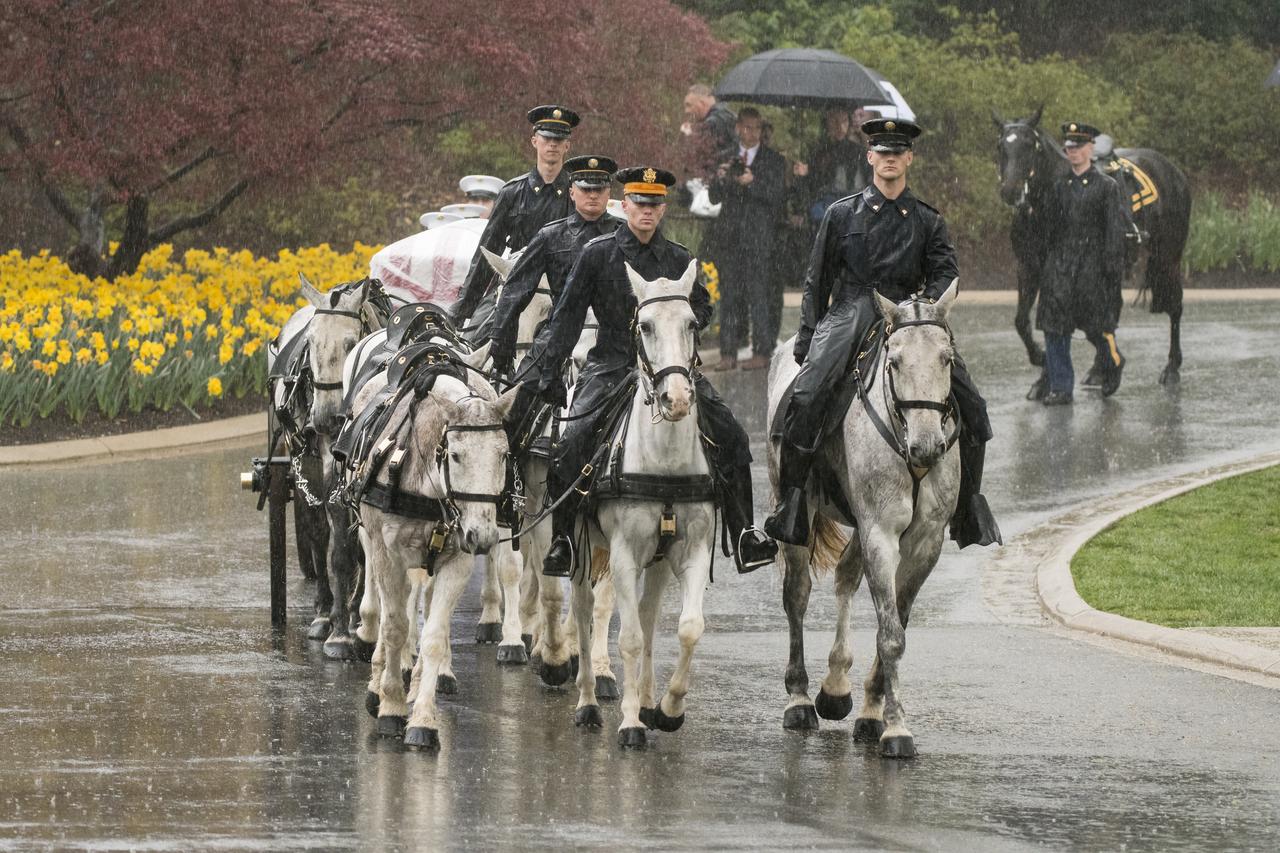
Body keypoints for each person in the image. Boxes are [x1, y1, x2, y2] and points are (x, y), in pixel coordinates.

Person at [525, 165, 778, 577]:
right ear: (624, 205)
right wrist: (549, 372)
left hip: (671, 366)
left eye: (655, 203)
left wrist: (680, 325)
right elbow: (567, 318)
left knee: (730, 433)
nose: (647, 210)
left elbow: (703, 306)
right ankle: (564, 540)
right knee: (572, 440)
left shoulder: (679, 258)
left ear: (662, 210)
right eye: (639, 202)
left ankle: (745, 531)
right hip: (611, 363)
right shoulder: (598, 254)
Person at [765, 118, 1001, 550]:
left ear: (909, 158)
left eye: (898, 152)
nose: (890, 159)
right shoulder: (841, 214)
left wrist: (922, 307)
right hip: (853, 311)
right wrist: (806, 340)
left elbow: (946, 272)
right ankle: (793, 503)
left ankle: (968, 508)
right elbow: (817, 280)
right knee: (806, 396)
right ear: (870, 157)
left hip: (913, 318)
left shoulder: (929, 220)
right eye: (882, 152)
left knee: (975, 408)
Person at [487, 154, 620, 389]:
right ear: (571, 192)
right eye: (586, 189)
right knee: (518, 399)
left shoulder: (625, 237)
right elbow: (516, 290)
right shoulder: (550, 236)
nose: (592, 195)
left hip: (616, 335)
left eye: (599, 189)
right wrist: (500, 344)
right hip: (558, 332)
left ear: (608, 194)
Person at [450, 105, 578, 333]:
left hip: (563, 289)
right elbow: (488, 253)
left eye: (558, 140)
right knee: (473, 341)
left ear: (567, 145)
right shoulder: (512, 193)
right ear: (534, 141)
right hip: (515, 280)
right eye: (547, 138)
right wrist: (461, 310)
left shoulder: (577, 194)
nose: (552, 144)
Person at [1035, 122, 1128, 405]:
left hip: (1092, 267)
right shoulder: (1059, 187)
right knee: (1055, 327)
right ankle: (1062, 387)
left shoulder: (1106, 187)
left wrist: (1111, 272)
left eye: (1078, 147)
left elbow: (1113, 233)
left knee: (1097, 328)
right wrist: (1048, 265)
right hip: (1061, 266)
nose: (1073, 152)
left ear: (1090, 149)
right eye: (1069, 148)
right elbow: (1050, 230)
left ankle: (1113, 362)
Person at [706, 107, 786, 370]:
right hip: (729, 237)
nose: (751, 133)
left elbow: (776, 197)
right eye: (747, 127)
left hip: (759, 238)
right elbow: (713, 198)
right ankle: (727, 352)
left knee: (759, 294)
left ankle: (762, 350)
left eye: (756, 128)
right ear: (738, 127)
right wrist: (720, 178)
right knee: (729, 295)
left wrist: (752, 182)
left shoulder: (773, 159)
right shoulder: (725, 158)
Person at [681, 83, 737, 179]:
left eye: (689, 105)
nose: (686, 111)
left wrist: (689, 135)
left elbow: (702, 156)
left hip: (717, 183)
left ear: (701, 103)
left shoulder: (713, 122)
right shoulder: (726, 114)